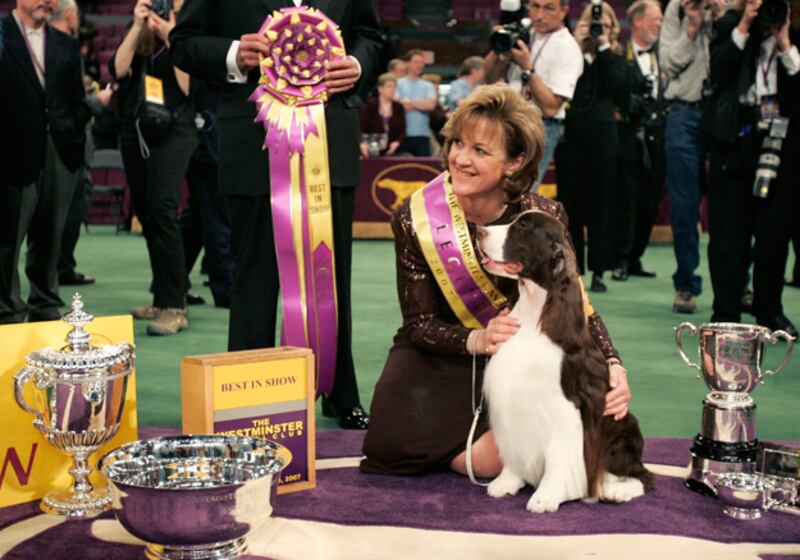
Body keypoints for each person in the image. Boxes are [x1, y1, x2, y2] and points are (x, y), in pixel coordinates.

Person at [361, 84, 631, 476]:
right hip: (443, 348)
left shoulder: (545, 216)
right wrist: (476, 339)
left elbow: (575, 302)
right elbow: (419, 325)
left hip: (520, 357)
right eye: (457, 144)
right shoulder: (414, 217)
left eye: (480, 151)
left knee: (495, 458)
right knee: (386, 446)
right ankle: (498, 447)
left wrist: (612, 363)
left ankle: (510, 444)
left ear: (515, 162)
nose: (460, 159)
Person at [169, 0, 383, 429]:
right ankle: (249, 391)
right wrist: (233, 53)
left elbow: (371, 37)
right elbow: (183, 44)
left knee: (331, 275)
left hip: (331, 143)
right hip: (253, 143)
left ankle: (340, 392)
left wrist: (358, 65)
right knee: (254, 277)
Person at [702, 0, 800, 337]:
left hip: (781, 146)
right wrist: (744, 24)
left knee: (774, 234)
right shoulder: (731, 24)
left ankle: (769, 310)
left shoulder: (795, 30)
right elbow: (719, 69)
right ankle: (725, 310)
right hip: (734, 142)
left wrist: (785, 41)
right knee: (728, 237)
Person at [112, 0, 198, 336]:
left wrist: (170, 33)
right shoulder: (139, 32)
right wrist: (137, 26)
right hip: (138, 131)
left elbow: (188, 85)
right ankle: (161, 297)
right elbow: (118, 70)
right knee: (146, 213)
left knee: (163, 210)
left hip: (176, 130)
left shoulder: (185, 32)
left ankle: (175, 306)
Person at [0, 0, 89, 324]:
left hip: (60, 151)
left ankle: (45, 303)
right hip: (11, 151)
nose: (47, 0)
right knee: (8, 237)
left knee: (52, 234)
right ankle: (7, 309)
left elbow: (78, 100)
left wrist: (74, 137)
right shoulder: (2, 34)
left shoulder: (65, 42)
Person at [555, 1, 628, 293]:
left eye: (604, 26)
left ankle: (599, 269)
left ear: (613, 30)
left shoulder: (617, 57)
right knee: (570, 203)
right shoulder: (571, 55)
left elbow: (618, 90)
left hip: (603, 135)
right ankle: (572, 268)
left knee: (602, 203)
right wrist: (579, 46)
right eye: (592, 25)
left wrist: (604, 48)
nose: (598, 30)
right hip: (571, 134)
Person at [659, 0, 719, 313]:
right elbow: (667, 63)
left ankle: (741, 283)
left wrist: (721, 17)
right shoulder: (678, 9)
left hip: (725, 113)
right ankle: (685, 284)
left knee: (732, 204)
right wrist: (692, 27)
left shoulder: (732, 6)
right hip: (684, 112)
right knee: (683, 207)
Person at [484, 0, 583, 188]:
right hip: (508, 121)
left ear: (563, 11)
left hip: (540, 125)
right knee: (496, 188)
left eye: (548, 8)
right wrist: (497, 48)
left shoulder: (567, 48)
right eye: (535, 6)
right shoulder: (522, 30)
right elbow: (487, 78)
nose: (539, 15)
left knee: (520, 190)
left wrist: (528, 68)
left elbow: (552, 106)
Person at [50, 0, 113, 288]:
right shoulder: (62, 48)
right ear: (71, 14)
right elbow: (65, 105)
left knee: (74, 204)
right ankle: (54, 272)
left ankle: (62, 267)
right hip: (68, 142)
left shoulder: (61, 46)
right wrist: (96, 102)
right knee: (64, 210)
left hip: (74, 141)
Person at [612, 0, 666, 282]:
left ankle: (635, 257)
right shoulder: (620, 54)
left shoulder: (663, 54)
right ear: (638, 22)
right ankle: (620, 257)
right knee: (628, 199)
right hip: (630, 136)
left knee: (651, 200)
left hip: (659, 135)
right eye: (655, 19)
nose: (660, 24)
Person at [396, 49, 437, 156]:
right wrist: (422, 104)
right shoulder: (398, 83)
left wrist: (408, 101)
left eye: (422, 62)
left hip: (422, 134)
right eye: (416, 62)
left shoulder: (428, 85)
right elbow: (398, 107)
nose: (420, 65)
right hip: (402, 134)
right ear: (407, 63)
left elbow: (431, 106)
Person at [360, 72, 406, 157]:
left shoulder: (398, 107)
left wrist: (397, 142)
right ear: (380, 89)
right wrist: (362, 143)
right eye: (389, 86)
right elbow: (361, 128)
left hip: (393, 151)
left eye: (394, 87)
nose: (392, 89)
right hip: (371, 150)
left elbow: (402, 131)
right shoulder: (370, 105)